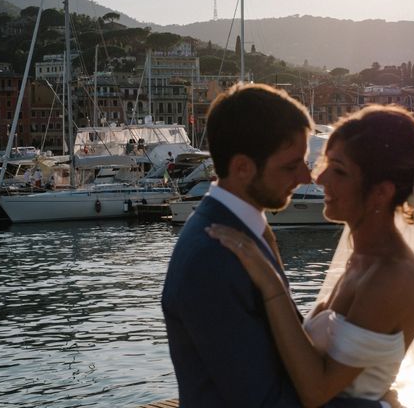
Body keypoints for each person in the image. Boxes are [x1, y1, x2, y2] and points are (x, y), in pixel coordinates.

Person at [207, 105, 414, 406]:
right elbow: (307, 349)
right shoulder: (363, 260)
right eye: (325, 162)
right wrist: (268, 244)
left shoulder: (393, 278)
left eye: (339, 170)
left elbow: (317, 391)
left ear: (381, 192)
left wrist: (269, 281)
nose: (320, 177)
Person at [162, 84, 384, 408]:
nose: (307, 177)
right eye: (291, 166)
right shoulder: (211, 259)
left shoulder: (242, 231)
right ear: (242, 168)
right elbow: (263, 401)